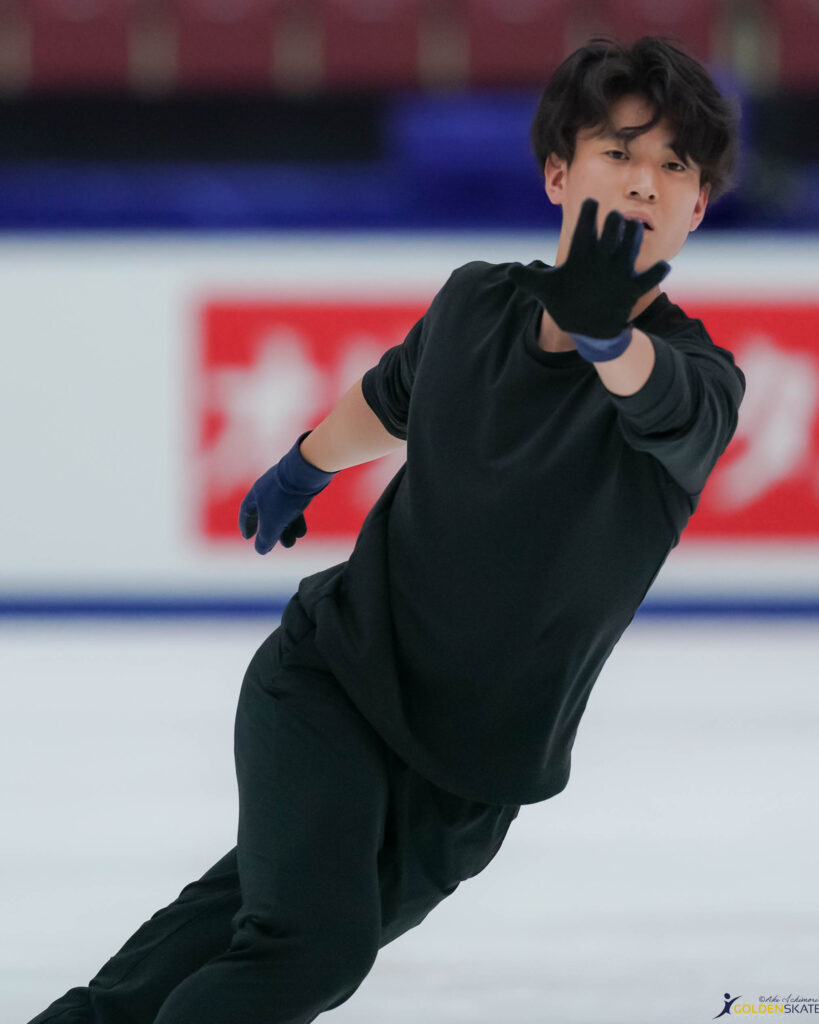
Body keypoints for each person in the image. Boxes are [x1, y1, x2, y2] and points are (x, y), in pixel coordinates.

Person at [27, 34, 745, 1024]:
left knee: (234, 930)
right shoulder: (475, 302)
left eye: (675, 165)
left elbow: (661, 403)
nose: (643, 182)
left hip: (469, 783)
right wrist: (306, 463)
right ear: (557, 173)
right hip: (335, 681)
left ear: (698, 207)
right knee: (306, 952)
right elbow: (393, 395)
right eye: (618, 151)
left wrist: (608, 335)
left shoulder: (701, 380)